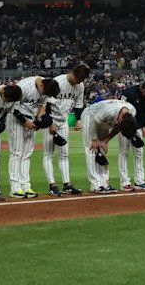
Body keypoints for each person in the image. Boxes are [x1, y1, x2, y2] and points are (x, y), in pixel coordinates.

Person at [8, 75, 61, 198]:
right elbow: (12, 108)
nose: (45, 95)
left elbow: (42, 106)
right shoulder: (24, 87)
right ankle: (15, 188)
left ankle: (25, 186)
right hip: (17, 120)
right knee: (16, 153)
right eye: (45, 93)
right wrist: (25, 122)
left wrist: (38, 122)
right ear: (41, 85)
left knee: (27, 154)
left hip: (31, 120)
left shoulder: (46, 88)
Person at [44, 64, 90, 196]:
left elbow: (78, 105)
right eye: (79, 79)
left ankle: (67, 184)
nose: (80, 82)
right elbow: (45, 104)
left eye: (82, 80)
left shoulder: (80, 86)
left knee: (64, 154)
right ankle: (52, 185)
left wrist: (79, 119)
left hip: (63, 121)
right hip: (50, 120)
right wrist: (49, 122)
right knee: (48, 154)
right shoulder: (58, 82)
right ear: (73, 73)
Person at [81, 99, 139, 193]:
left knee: (102, 150)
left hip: (104, 121)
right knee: (92, 149)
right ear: (121, 118)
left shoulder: (132, 112)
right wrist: (94, 139)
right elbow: (93, 121)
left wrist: (105, 141)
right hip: (90, 116)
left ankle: (105, 183)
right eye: (119, 121)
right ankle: (96, 184)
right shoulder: (109, 111)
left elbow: (119, 127)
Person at [119, 80, 145, 190]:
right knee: (124, 153)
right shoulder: (128, 93)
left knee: (139, 154)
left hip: (138, 127)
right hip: (125, 127)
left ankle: (140, 181)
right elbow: (120, 110)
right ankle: (124, 182)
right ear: (144, 90)